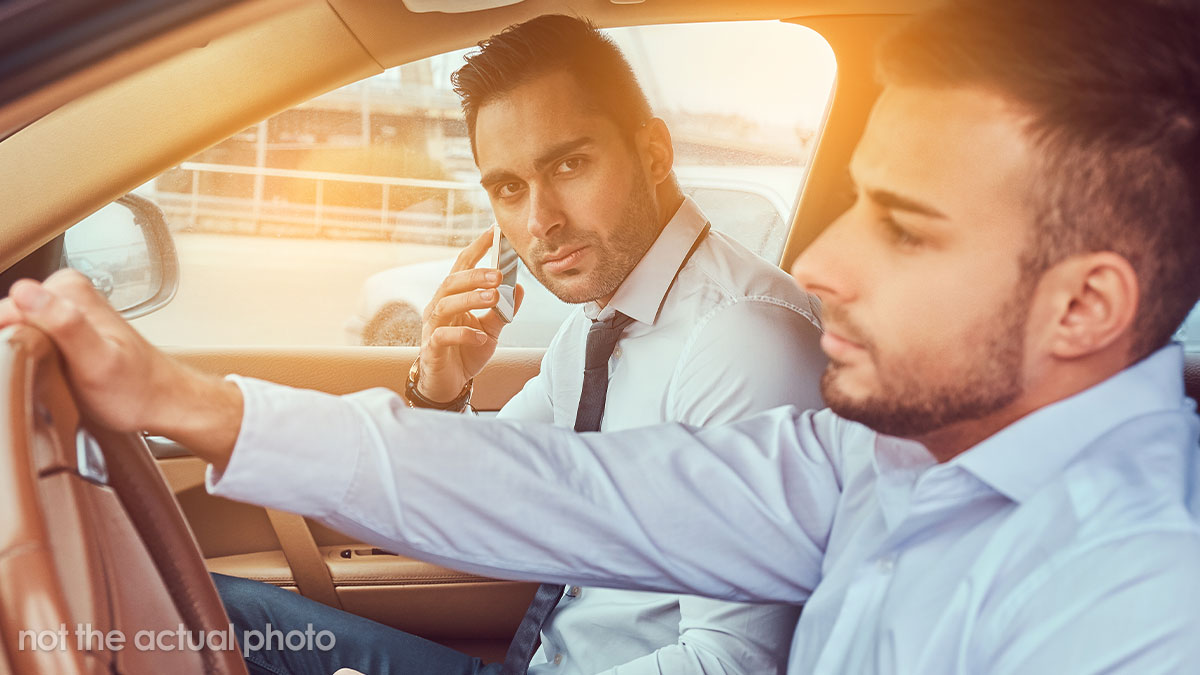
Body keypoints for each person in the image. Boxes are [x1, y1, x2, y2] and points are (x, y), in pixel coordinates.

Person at [3, 0, 1199, 672]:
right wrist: (195, 402)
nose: (820, 264)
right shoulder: (880, 461)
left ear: (1084, 307)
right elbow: (556, 487)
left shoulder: (1142, 605)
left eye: (903, 227)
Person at [230, 14, 829, 675]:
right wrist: (439, 387)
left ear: (653, 153)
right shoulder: (597, 324)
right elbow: (482, 501)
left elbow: (733, 661)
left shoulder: (742, 337)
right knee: (219, 612)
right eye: (509, 188)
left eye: (570, 164)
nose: (540, 221)